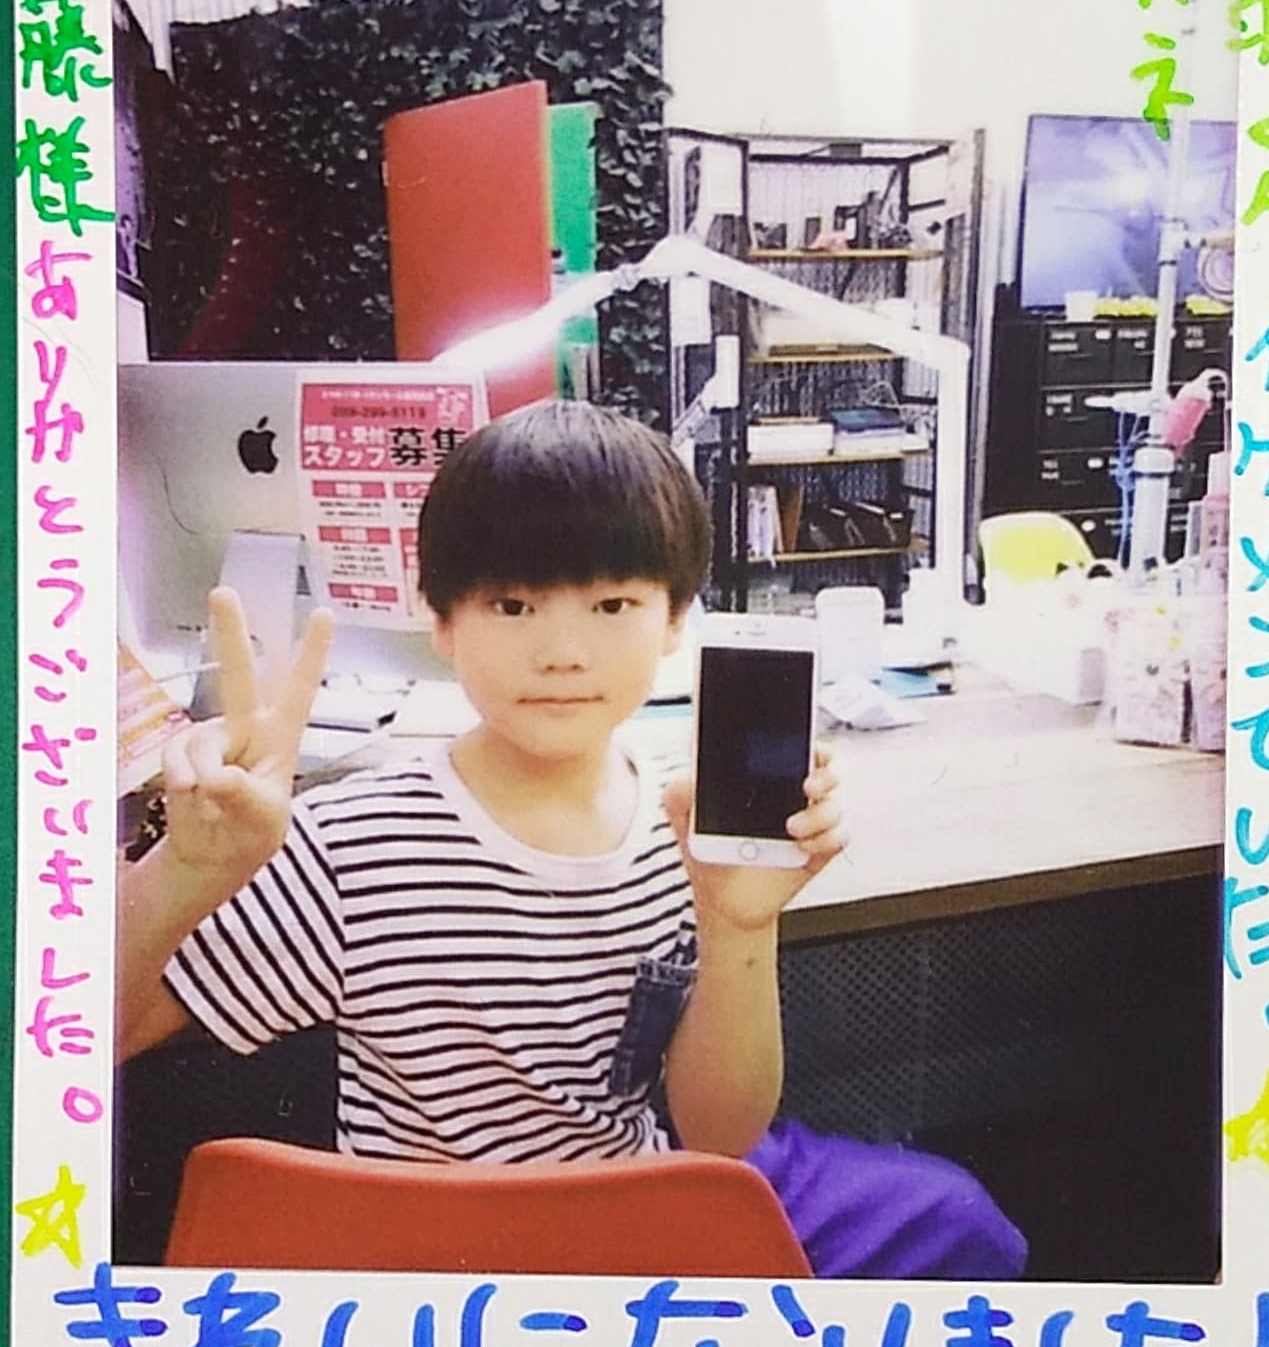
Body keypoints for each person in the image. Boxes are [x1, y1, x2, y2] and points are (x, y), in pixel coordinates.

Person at [118, 398, 1025, 1280]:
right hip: (448, 1254)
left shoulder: (685, 820)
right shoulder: (350, 844)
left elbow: (716, 1136)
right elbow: (94, 1036)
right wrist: (182, 872)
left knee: (959, 1222)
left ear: (675, 620)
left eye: (612, 605)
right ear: (441, 620)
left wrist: (738, 924)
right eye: (513, 606)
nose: (562, 652)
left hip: (636, 1214)